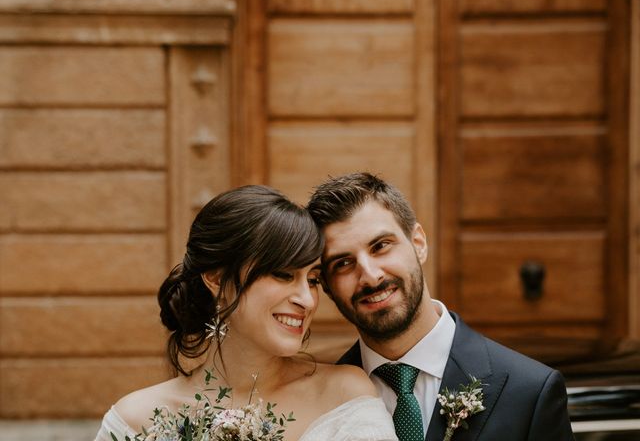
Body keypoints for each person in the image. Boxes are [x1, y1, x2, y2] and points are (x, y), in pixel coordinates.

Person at [94, 185, 397, 441]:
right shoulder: (136, 421)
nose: (306, 299)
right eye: (282, 274)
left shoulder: (343, 395)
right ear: (215, 278)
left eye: (313, 280)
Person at [307, 172, 575, 441]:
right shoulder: (316, 405)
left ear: (418, 243)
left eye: (381, 246)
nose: (370, 276)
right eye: (342, 263)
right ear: (327, 285)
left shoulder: (530, 392)